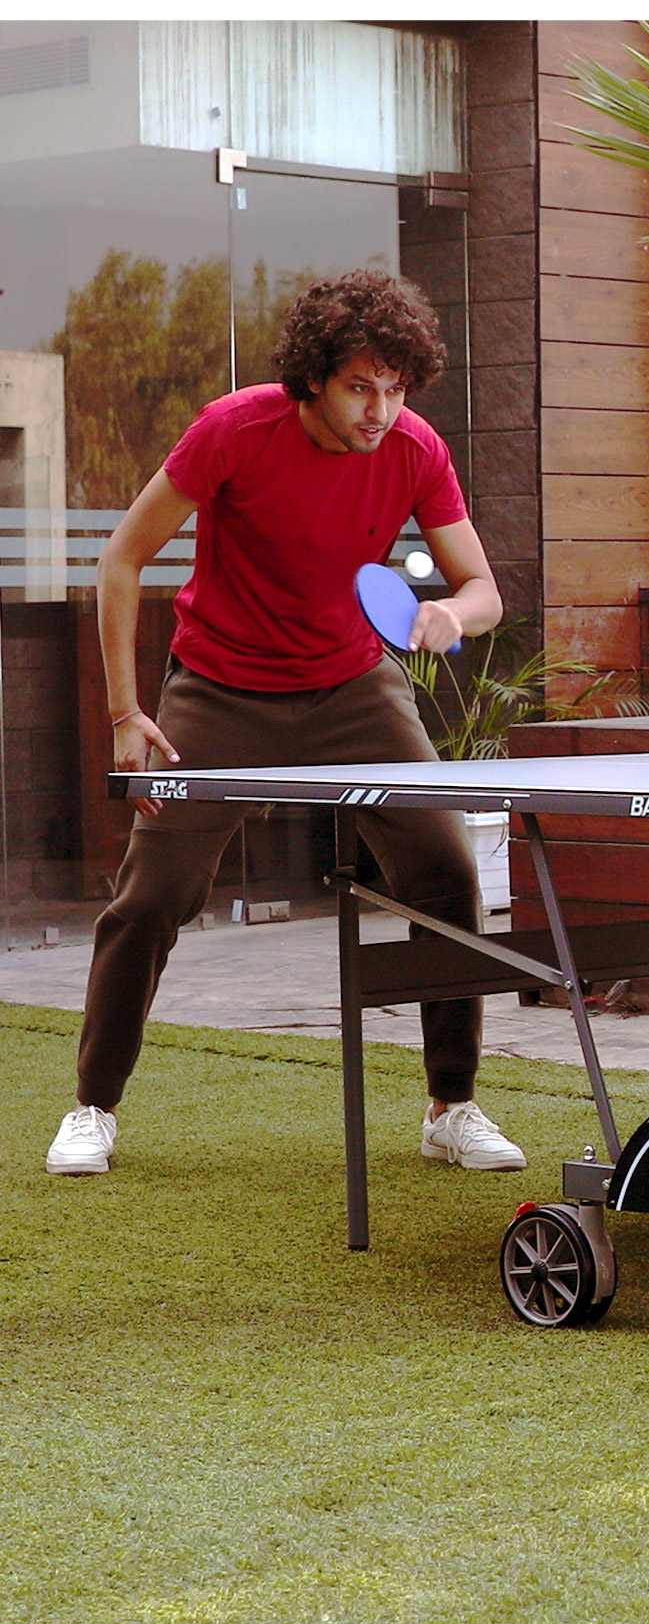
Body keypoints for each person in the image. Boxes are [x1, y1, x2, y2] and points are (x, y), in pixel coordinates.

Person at [46, 268, 528, 1179]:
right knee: (150, 898)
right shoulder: (234, 429)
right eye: (360, 387)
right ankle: (92, 1106)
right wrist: (124, 712)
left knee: (446, 870)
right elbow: (121, 558)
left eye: (395, 389)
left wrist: (448, 614)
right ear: (313, 376)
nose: (380, 410)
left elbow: (483, 590)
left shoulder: (416, 449)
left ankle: (451, 1104)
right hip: (220, 688)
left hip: (353, 687)